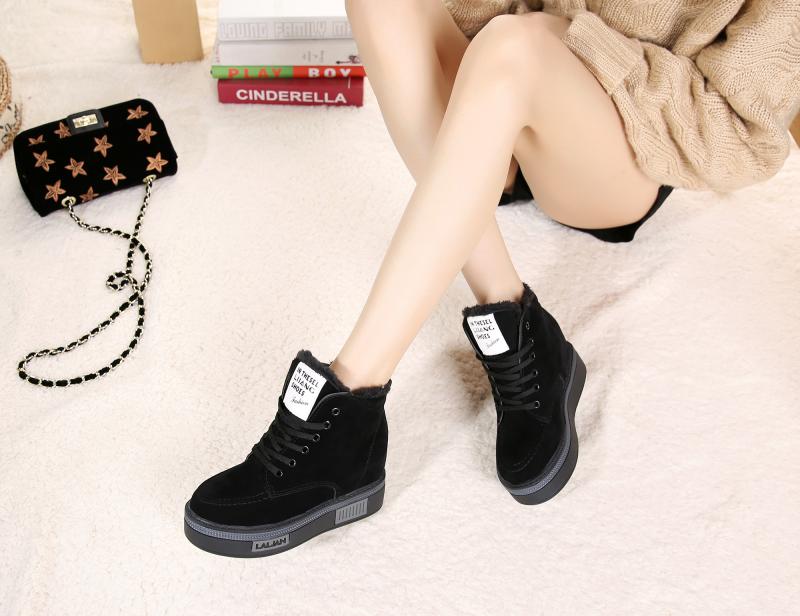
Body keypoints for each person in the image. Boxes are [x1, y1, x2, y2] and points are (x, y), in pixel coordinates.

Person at [183, 0, 800, 557]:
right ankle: (513, 319)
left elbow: (739, 131)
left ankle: (351, 401)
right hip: (503, 104)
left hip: (627, 146)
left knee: (515, 49)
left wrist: (570, 43)